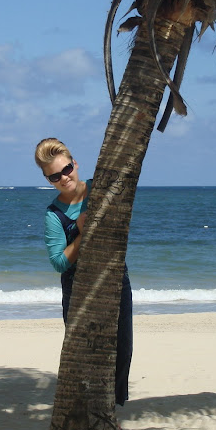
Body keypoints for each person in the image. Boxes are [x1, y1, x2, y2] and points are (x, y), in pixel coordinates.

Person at [34, 137, 133, 410]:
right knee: (84, 354)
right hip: (77, 286)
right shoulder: (54, 214)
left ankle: (110, 411)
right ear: (47, 179)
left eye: (66, 169)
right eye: (54, 176)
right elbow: (58, 262)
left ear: (75, 163)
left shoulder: (98, 189)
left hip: (114, 278)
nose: (63, 178)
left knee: (121, 349)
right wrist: (81, 232)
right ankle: (89, 411)